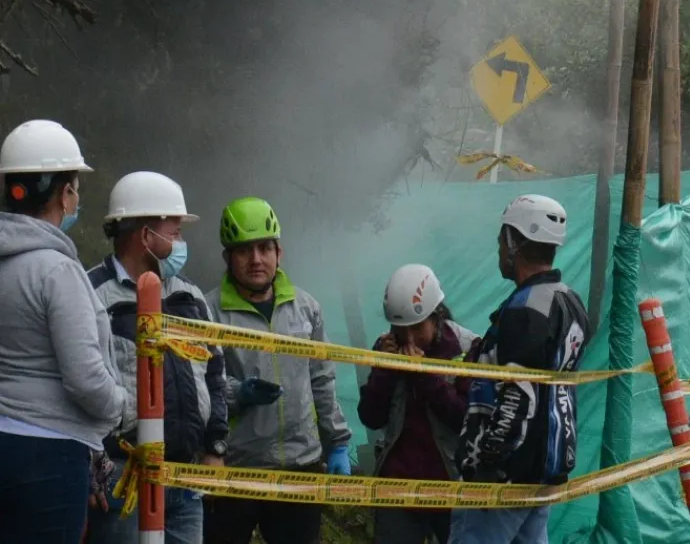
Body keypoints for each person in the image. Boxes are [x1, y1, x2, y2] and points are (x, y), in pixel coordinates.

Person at [0, 119, 127, 544]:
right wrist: (119, 406)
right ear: (63, 192)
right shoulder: (58, 270)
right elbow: (85, 377)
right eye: (74, 187)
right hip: (50, 458)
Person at [85, 171, 228, 544]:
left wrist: (215, 446)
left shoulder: (191, 297)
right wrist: (91, 462)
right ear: (146, 237)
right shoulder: (91, 294)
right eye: (175, 232)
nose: (182, 243)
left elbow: (214, 372)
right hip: (120, 475)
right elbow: (79, 384)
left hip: (185, 475)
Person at [203, 197, 353, 544]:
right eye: (245, 250)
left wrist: (338, 444)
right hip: (236, 466)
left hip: (300, 465)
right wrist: (236, 393)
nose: (256, 259)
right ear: (228, 257)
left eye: (264, 248)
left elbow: (322, 381)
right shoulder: (207, 310)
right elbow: (201, 382)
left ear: (278, 253)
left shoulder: (306, 308)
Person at [449, 194, 589, 544]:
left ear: (515, 242)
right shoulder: (569, 300)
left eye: (502, 237)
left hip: (506, 478)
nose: (498, 248)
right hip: (546, 467)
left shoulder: (525, 309)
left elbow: (518, 397)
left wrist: (487, 462)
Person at [359, 264, 478, 544]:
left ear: (435, 316)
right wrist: (384, 370)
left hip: (453, 485)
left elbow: (467, 421)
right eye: (401, 330)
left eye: (417, 328)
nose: (410, 340)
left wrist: (425, 377)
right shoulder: (388, 348)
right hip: (400, 486)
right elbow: (370, 417)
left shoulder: (467, 347)